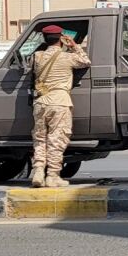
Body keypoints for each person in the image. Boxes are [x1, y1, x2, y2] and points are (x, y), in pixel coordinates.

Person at [30, 25, 91, 187]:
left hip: (40, 102)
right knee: (57, 139)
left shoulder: (37, 56)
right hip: (59, 101)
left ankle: (37, 171)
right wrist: (73, 45)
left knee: (40, 138)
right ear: (61, 39)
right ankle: (52, 176)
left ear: (45, 39)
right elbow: (86, 61)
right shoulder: (67, 57)